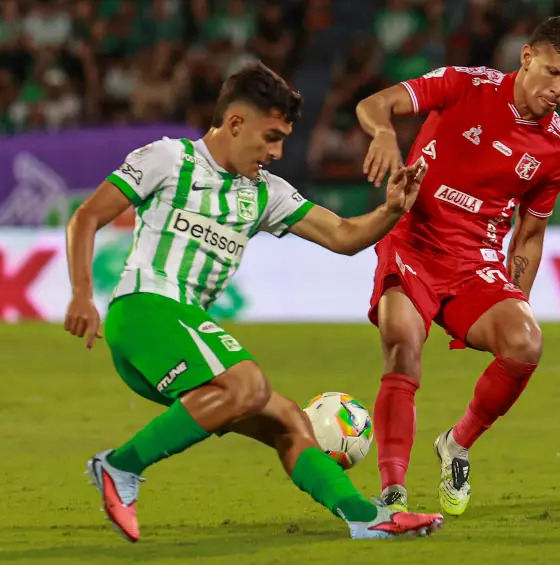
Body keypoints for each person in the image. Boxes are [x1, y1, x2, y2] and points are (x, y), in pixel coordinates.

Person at [64, 61, 442, 543]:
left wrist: (391, 210)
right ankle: (119, 467)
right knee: (247, 383)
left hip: (182, 334)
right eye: (271, 137)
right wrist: (80, 293)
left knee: (287, 420)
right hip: (145, 311)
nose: (278, 151)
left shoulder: (265, 194)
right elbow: (86, 218)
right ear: (236, 124)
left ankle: (365, 517)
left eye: (283, 139)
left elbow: (345, 237)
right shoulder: (169, 159)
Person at [355, 16, 560, 515]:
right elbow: (374, 104)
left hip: (476, 261)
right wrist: (383, 134)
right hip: (413, 241)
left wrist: (513, 302)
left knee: (526, 343)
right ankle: (393, 492)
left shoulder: (556, 150)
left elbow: (530, 233)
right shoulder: (466, 84)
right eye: (552, 72)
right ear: (527, 57)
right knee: (403, 346)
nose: (559, 89)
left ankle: (457, 443)